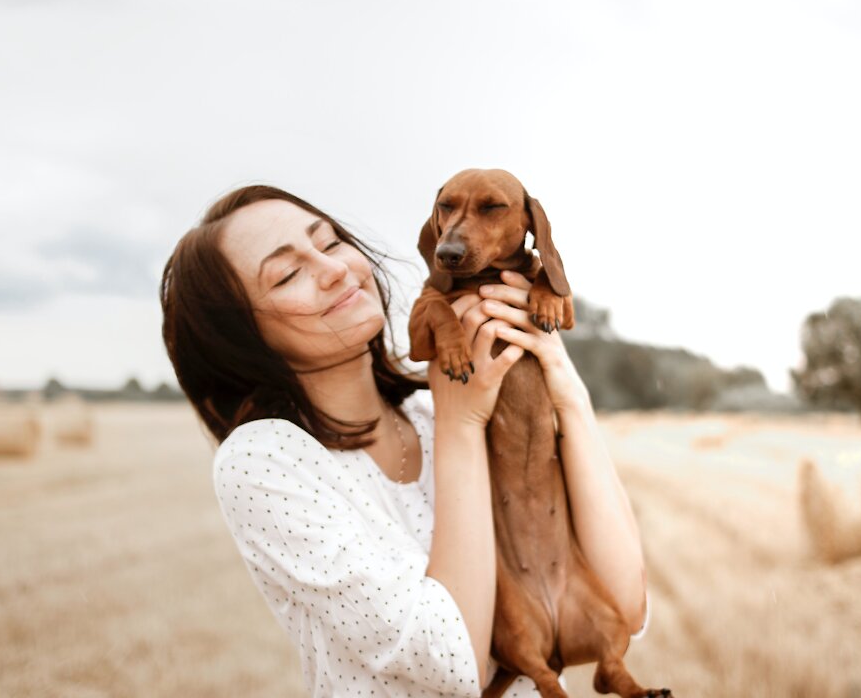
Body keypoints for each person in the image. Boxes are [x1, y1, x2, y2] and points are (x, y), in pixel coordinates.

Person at [160, 185, 651, 697]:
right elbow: (453, 666)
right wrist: (462, 427)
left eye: (329, 244)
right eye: (287, 275)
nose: (334, 270)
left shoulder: (428, 412)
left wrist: (567, 390)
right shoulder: (264, 460)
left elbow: (627, 606)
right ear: (238, 335)